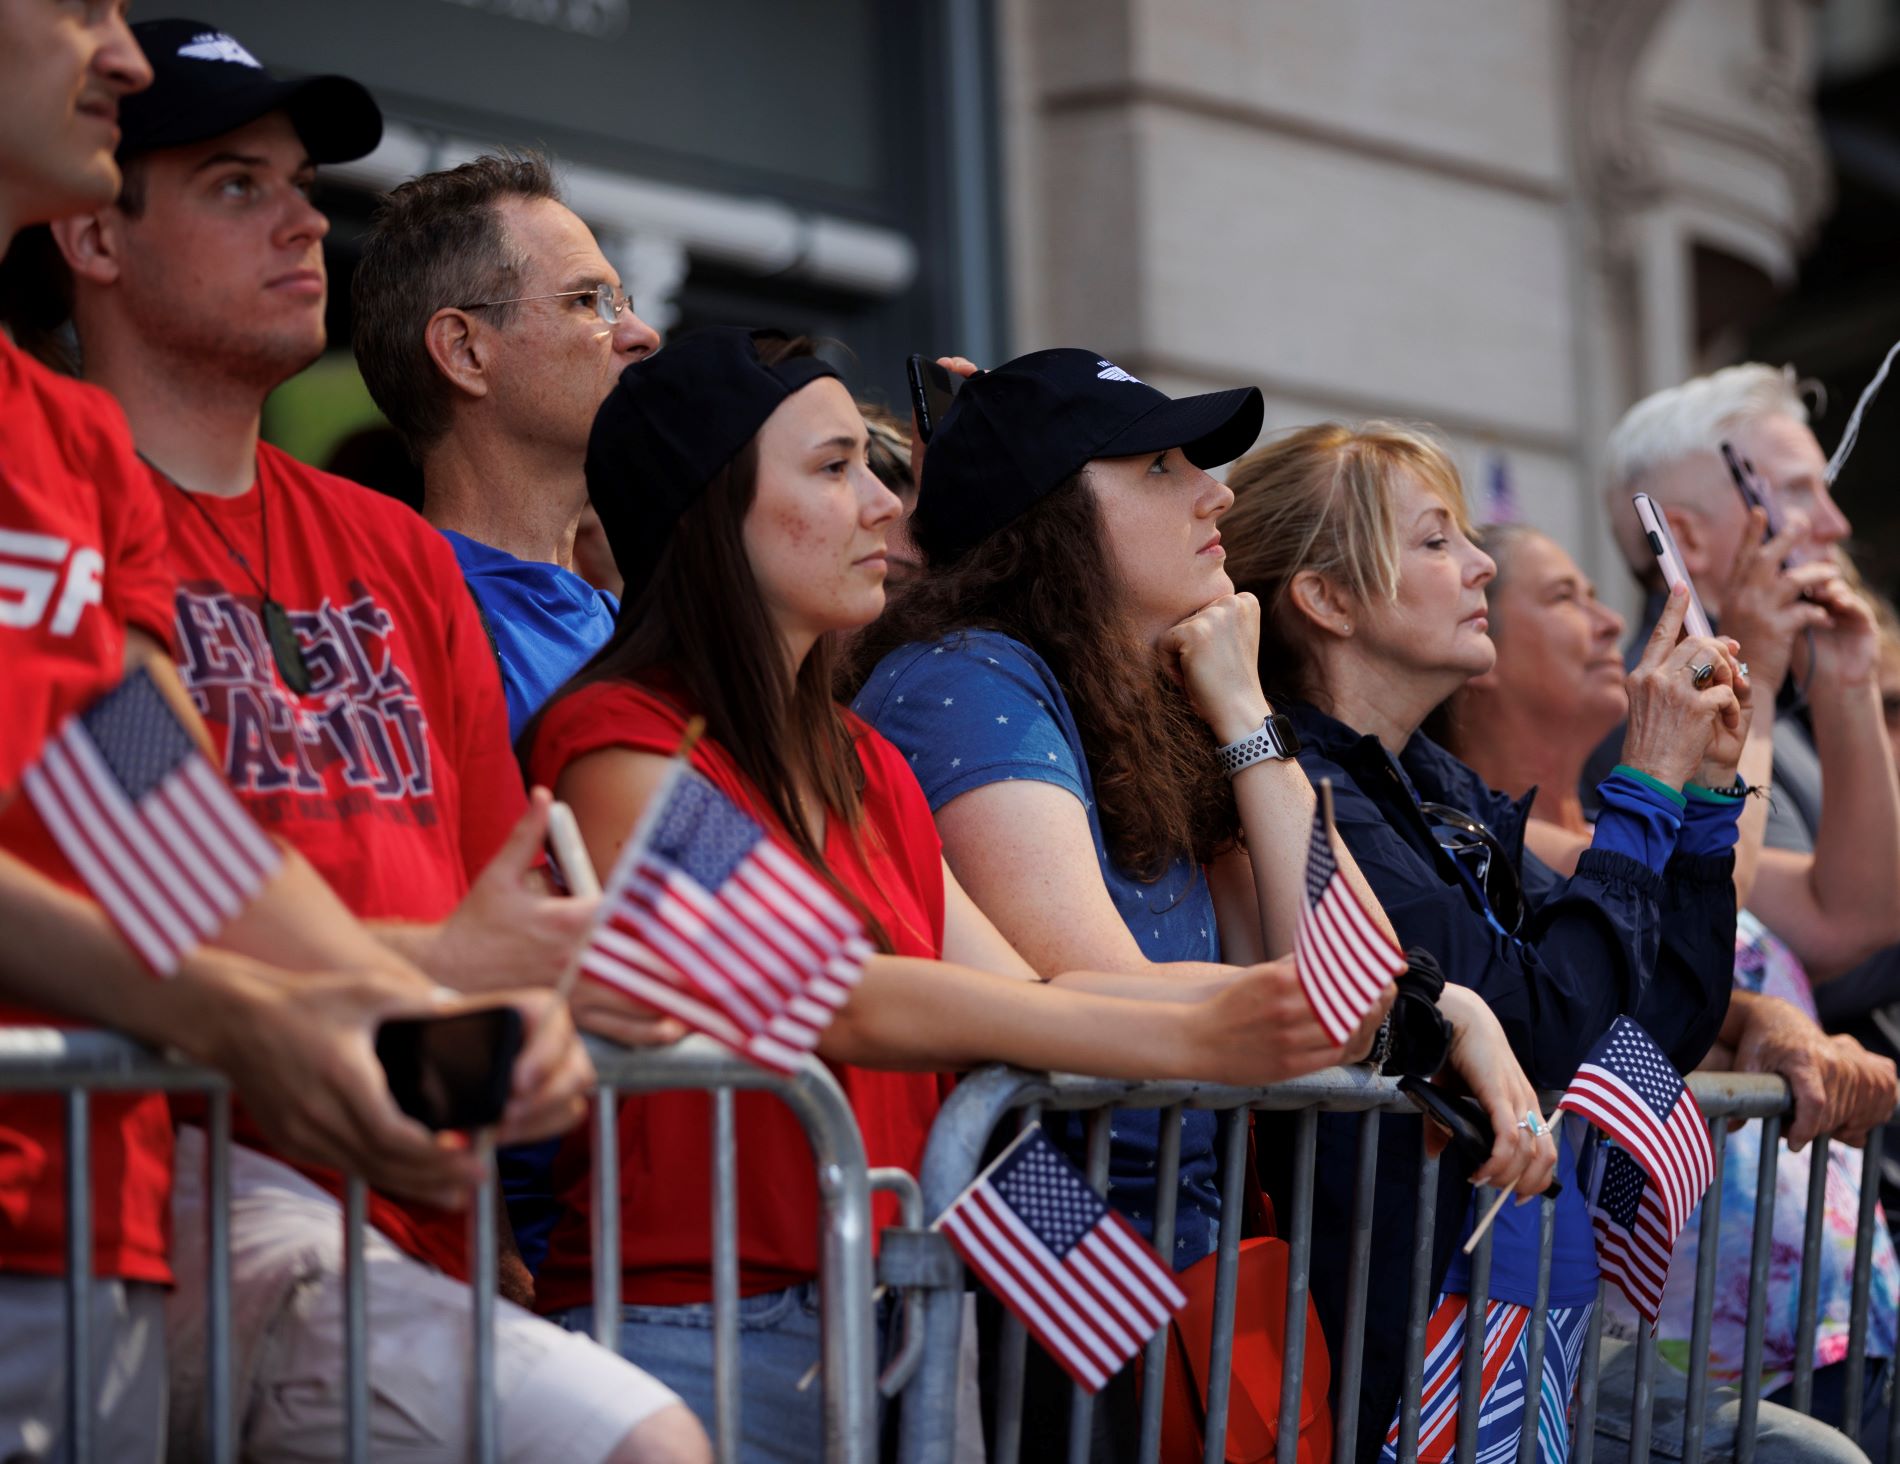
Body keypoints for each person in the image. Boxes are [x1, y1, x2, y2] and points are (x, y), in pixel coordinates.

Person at [520, 327, 1558, 1459]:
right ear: (710, 511)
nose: (881, 503)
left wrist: (1410, 1008)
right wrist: (1224, 1026)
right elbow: (844, 993)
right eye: (831, 469)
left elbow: (1023, 988)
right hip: (703, 1319)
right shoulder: (615, 743)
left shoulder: (855, 759)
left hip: (888, 1309)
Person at [33, 20, 706, 1461]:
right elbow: (119, 800)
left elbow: (123, 773)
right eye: (233, 183)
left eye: (299, 181)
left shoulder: (383, 553)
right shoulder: (70, 469)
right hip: (150, 1176)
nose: (302, 219)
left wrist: (470, 1032)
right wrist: (396, 982)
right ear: (93, 233)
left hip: (380, 1198)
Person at [847, 349, 1552, 1457]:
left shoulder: (1156, 700)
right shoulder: (969, 673)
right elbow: (1098, 996)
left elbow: (1354, 983)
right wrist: (1427, 1009)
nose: (1215, 491)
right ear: (1056, 513)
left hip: (1169, 1268)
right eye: (1163, 466)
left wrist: (1236, 707)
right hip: (1046, 1267)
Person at [1221, 421, 1744, 1462]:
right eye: (1432, 542)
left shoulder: (1432, 786)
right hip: (1401, 1331)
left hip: (1517, 1309)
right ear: (1324, 600)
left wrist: (1705, 803)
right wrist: (1639, 785)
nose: (1481, 564)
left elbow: (1650, 1026)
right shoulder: (1314, 798)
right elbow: (1545, 1027)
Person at [1438, 521, 1898, 1461]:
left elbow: (1856, 910)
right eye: (1568, 598)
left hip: (1841, 1303)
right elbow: (1668, 936)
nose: (1612, 622)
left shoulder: (1620, 824)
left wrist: (1847, 684)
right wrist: (1755, 675)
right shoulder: (1566, 838)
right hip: (1711, 1333)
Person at [1593, 364, 1900, 983]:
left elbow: (1874, 912)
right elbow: (1836, 936)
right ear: (1686, 540)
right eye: (1795, 492)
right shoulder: (1646, 706)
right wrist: (1750, 674)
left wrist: (1847, 682)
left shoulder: (1788, 680)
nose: (1835, 525)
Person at [351, 151, 662, 742]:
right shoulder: (393, 627)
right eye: (585, 302)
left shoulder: (638, 638)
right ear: (465, 352)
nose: (641, 335)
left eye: (623, 303)